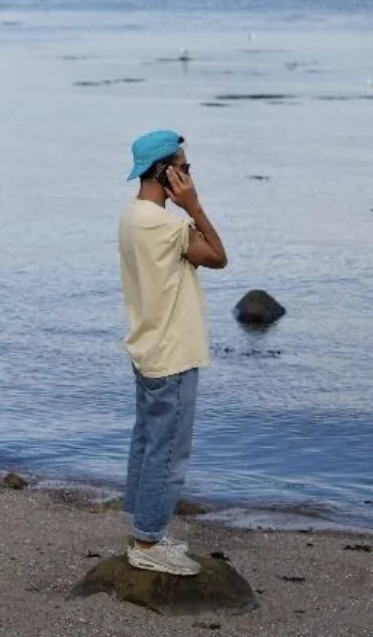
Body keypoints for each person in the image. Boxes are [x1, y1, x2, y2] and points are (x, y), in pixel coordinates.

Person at [118, 129, 228, 575]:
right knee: (168, 452)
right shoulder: (163, 225)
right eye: (184, 167)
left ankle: (145, 529)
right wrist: (194, 207)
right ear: (165, 172)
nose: (189, 174)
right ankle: (147, 543)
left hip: (147, 346)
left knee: (147, 442)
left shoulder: (132, 216)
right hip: (173, 352)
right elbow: (218, 256)